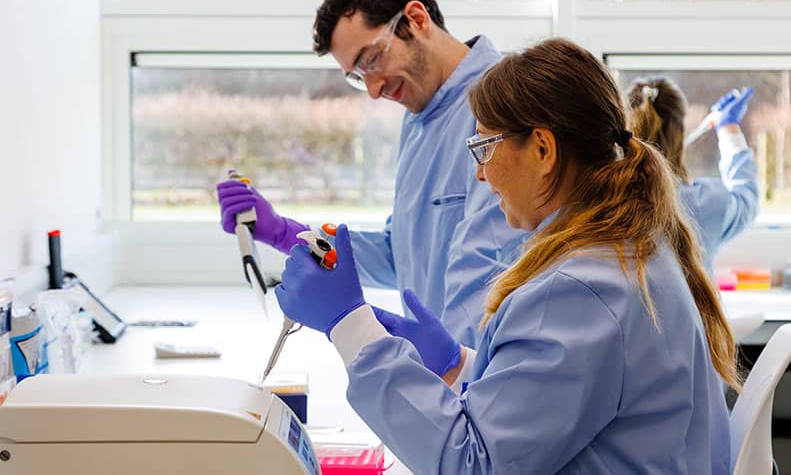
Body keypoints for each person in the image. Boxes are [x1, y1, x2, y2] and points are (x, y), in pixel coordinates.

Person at [274, 38, 737, 474]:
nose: (478, 173)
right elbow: (562, 397)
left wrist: (349, 327)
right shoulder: (628, 247)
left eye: (484, 147)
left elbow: (474, 463)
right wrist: (458, 364)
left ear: (542, 149)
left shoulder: (582, 289)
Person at [217, 0, 525, 348]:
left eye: (371, 59)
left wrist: (445, 373)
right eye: (358, 77)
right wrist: (284, 232)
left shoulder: (506, 102)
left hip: (488, 372)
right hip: (447, 379)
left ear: (414, 20)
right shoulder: (419, 120)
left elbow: (491, 272)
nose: (375, 90)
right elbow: (399, 258)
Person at [626, 77, 759, 273]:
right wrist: (728, 128)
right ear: (679, 133)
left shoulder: (608, 201)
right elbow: (747, 199)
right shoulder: (702, 202)